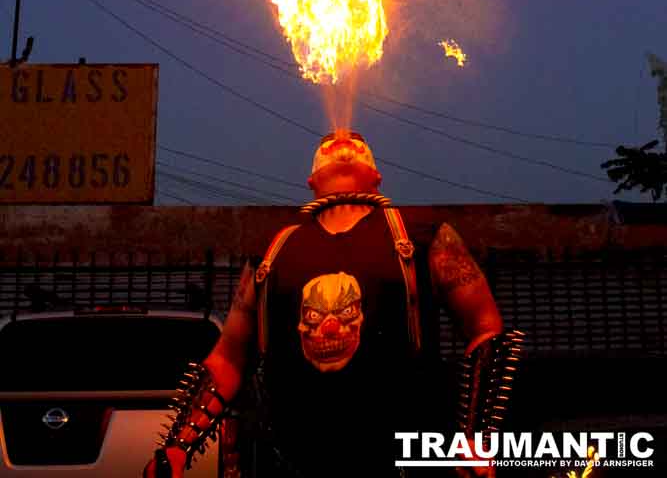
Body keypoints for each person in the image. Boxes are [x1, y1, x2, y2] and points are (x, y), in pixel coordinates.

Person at [143, 130, 523, 478]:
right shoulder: (272, 253)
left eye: (357, 140)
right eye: (329, 141)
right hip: (299, 466)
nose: (342, 137)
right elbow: (227, 360)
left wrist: (476, 437)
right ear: (311, 181)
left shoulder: (420, 234)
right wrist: (175, 448)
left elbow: (485, 328)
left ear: (376, 176)